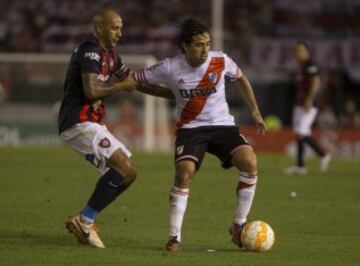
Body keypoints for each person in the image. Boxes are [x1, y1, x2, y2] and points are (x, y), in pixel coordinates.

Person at [135, 19, 267, 252]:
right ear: (185, 46)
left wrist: (255, 111)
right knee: (184, 173)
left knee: (250, 162)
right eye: (199, 45)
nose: (205, 49)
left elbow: (242, 79)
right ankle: (174, 237)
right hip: (191, 129)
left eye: (207, 43)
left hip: (223, 126)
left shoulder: (220, 60)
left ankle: (238, 225)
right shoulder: (169, 67)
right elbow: (137, 80)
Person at [58, 9, 160, 248]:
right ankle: (85, 220)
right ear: (100, 27)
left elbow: (132, 82)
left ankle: (85, 219)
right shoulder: (89, 51)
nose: (119, 33)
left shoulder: (112, 56)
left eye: (121, 28)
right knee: (123, 167)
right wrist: (119, 86)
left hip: (91, 124)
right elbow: (91, 91)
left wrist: (174, 94)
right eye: (115, 28)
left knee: (128, 173)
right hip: (79, 122)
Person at [284, 42, 331, 175]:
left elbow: (316, 82)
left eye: (300, 50)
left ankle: (323, 154)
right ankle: (300, 166)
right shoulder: (301, 66)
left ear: (307, 52)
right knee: (300, 134)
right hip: (299, 104)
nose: (297, 53)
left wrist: (309, 98)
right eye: (296, 50)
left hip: (308, 104)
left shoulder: (310, 65)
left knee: (301, 133)